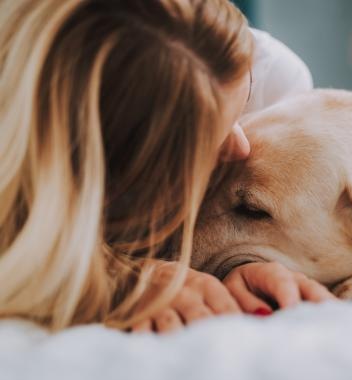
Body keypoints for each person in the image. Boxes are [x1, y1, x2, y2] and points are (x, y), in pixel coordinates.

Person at [0, 0, 333, 333]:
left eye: (243, 103)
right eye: (209, 143)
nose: (243, 146)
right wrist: (118, 281)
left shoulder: (271, 83)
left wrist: (234, 267)